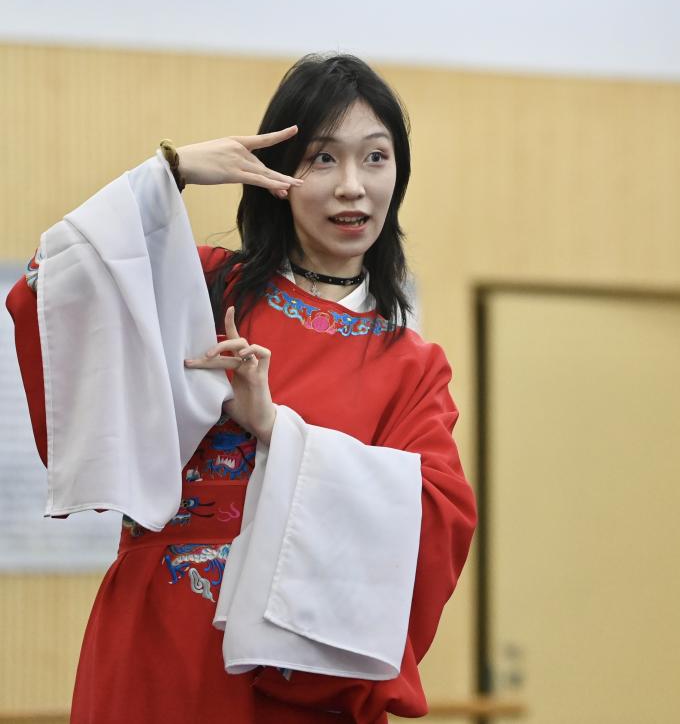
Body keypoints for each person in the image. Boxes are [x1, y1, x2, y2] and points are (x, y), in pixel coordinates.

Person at [6, 53, 478, 722]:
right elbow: (48, 286)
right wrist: (167, 173)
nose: (352, 187)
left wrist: (275, 427)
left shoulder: (410, 364)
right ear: (278, 172)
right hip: (159, 637)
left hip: (300, 658)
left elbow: (438, 519)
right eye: (322, 159)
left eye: (375, 158)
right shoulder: (201, 285)